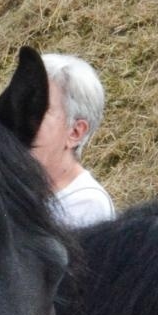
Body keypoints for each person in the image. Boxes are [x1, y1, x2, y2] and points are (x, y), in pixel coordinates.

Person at [28, 52, 113, 226]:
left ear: (75, 132)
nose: (22, 118)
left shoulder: (88, 205)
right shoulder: (14, 183)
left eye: (40, 110)